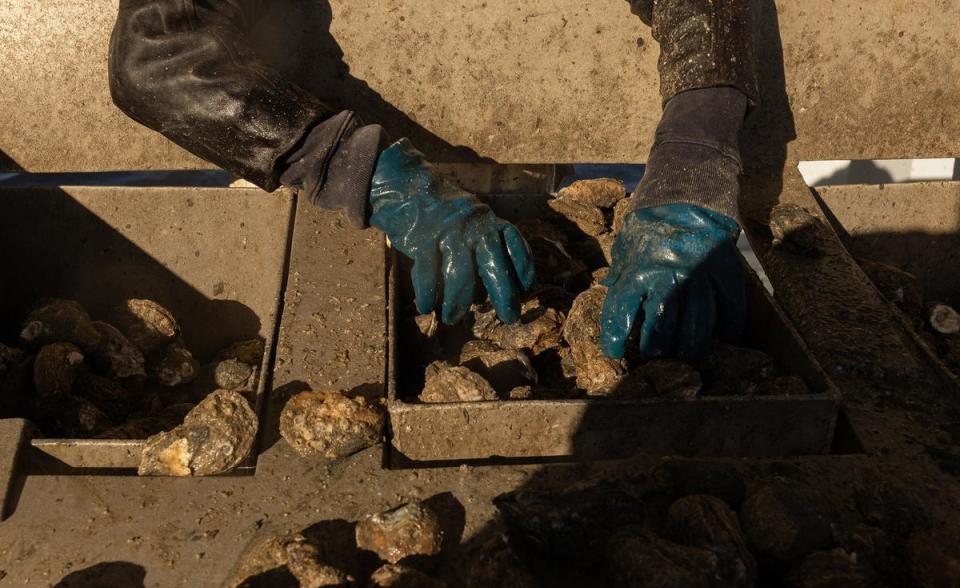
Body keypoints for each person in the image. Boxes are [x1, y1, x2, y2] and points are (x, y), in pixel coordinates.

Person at [109, 0, 757, 361]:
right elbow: (161, 55)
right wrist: (350, 166)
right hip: (297, 152)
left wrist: (695, 151)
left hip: (546, 156)